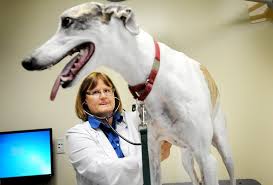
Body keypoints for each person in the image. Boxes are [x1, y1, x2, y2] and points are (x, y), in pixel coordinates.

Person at [66, 72, 172, 185]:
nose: (103, 96)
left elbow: (166, 116)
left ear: (114, 95)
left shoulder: (136, 119)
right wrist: (151, 158)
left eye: (107, 90)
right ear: (84, 101)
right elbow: (104, 174)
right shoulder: (77, 135)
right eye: (96, 92)